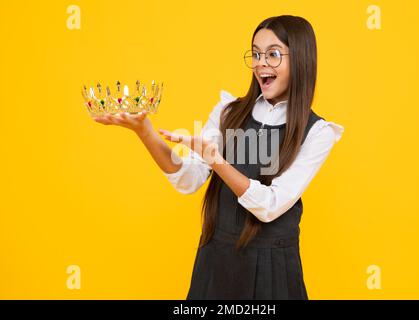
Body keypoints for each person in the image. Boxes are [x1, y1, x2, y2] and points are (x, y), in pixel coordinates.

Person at [93, 15, 344, 300]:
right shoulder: (228, 111)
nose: (261, 63)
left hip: (273, 271)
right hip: (217, 261)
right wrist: (144, 130)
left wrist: (216, 161)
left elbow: (270, 205)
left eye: (273, 54)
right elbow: (188, 180)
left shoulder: (318, 133)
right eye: (257, 53)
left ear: (301, 59)